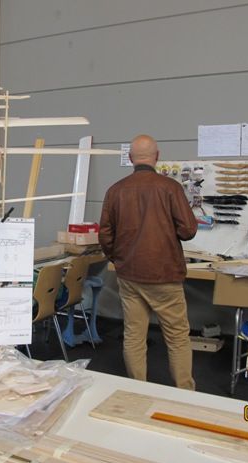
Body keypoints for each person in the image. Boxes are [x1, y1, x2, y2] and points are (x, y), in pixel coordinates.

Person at [98, 134, 198, 390]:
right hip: (165, 275)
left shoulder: (115, 190)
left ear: (130, 158)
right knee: (177, 337)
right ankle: (185, 393)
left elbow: (105, 235)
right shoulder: (170, 187)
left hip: (129, 275)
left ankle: (137, 391)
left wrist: (118, 259)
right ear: (157, 157)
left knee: (133, 335)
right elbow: (188, 230)